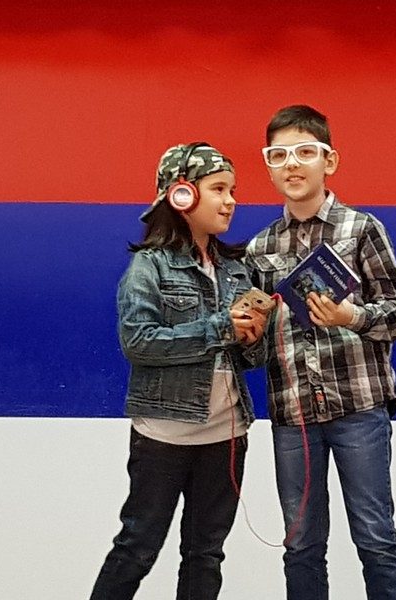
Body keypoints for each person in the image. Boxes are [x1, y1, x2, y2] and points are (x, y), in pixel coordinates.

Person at [245, 105, 396, 600]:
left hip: (358, 407)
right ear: (268, 167)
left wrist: (349, 316)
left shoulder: (361, 229)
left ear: (330, 161)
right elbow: (257, 347)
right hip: (293, 414)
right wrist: (248, 334)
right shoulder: (258, 248)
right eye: (278, 155)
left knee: (376, 540)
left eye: (305, 152)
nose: (292, 164)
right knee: (300, 545)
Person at [91, 142, 268, 600]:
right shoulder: (148, 265)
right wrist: (220, 327)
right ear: (182, 195)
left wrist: (253, 338)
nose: (231, 201)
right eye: (219, 189)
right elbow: (138, 342)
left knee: (205, 555)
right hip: (163, 437)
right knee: (137, 549)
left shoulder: (235, 268)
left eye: (233, 190)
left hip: (226, 436)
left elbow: (249, 358)